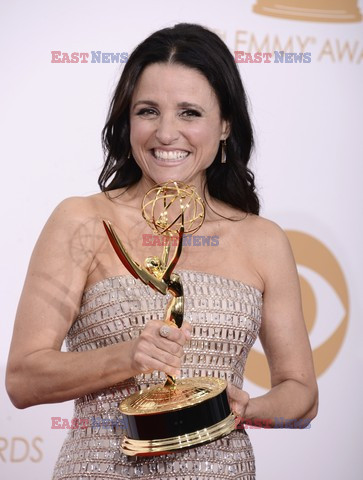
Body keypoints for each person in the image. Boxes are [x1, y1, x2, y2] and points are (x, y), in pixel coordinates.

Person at [6, 23, 318, 479]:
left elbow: (302, 396)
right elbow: (23, 379)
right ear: (127, 120)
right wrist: (128, 357)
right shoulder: (83, 220)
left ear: (226, 124)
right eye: (148, 110)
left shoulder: (263, 240)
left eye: (190, 112)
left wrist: (247, 408)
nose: (166, 132)